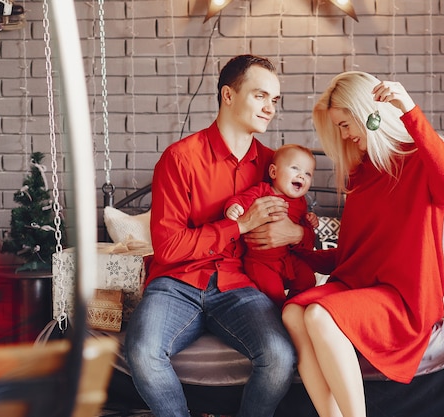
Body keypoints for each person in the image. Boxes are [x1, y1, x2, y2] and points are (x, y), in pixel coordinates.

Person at [125, 55, 310, 417]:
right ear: (228, 94)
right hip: (176, 283)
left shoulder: (278, 165)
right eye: (260, 96)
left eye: (274, 100)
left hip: (240, 286)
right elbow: (168, 246)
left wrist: (298, 232)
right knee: (142, 351)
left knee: (279, 356)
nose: (270, 108)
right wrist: (237, 226)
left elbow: (300, 230)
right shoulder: (180, 159)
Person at [282, 71, 444, 417]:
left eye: (346, 124)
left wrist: (408, 107)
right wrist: (298, 250)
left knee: (320, 316)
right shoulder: (361, 173)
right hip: (364, 286)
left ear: (370, 113)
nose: (345, 136)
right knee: (293, 312)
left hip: (405, 298)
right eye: (339, 128)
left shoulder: (420, 163)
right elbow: (355, 255)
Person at [224, 143, 318, 308]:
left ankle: (293, 305)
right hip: (261, 261)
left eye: (308, 173)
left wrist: (309, 222)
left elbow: (303, 232)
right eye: (295, 168)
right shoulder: (263, 190)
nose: (302, 176)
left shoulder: (301, 202)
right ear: (273, 172)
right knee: (273, 292)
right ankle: (280, 311)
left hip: (287, 258)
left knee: (307, 278)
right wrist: (234, 208)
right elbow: (241, 200)